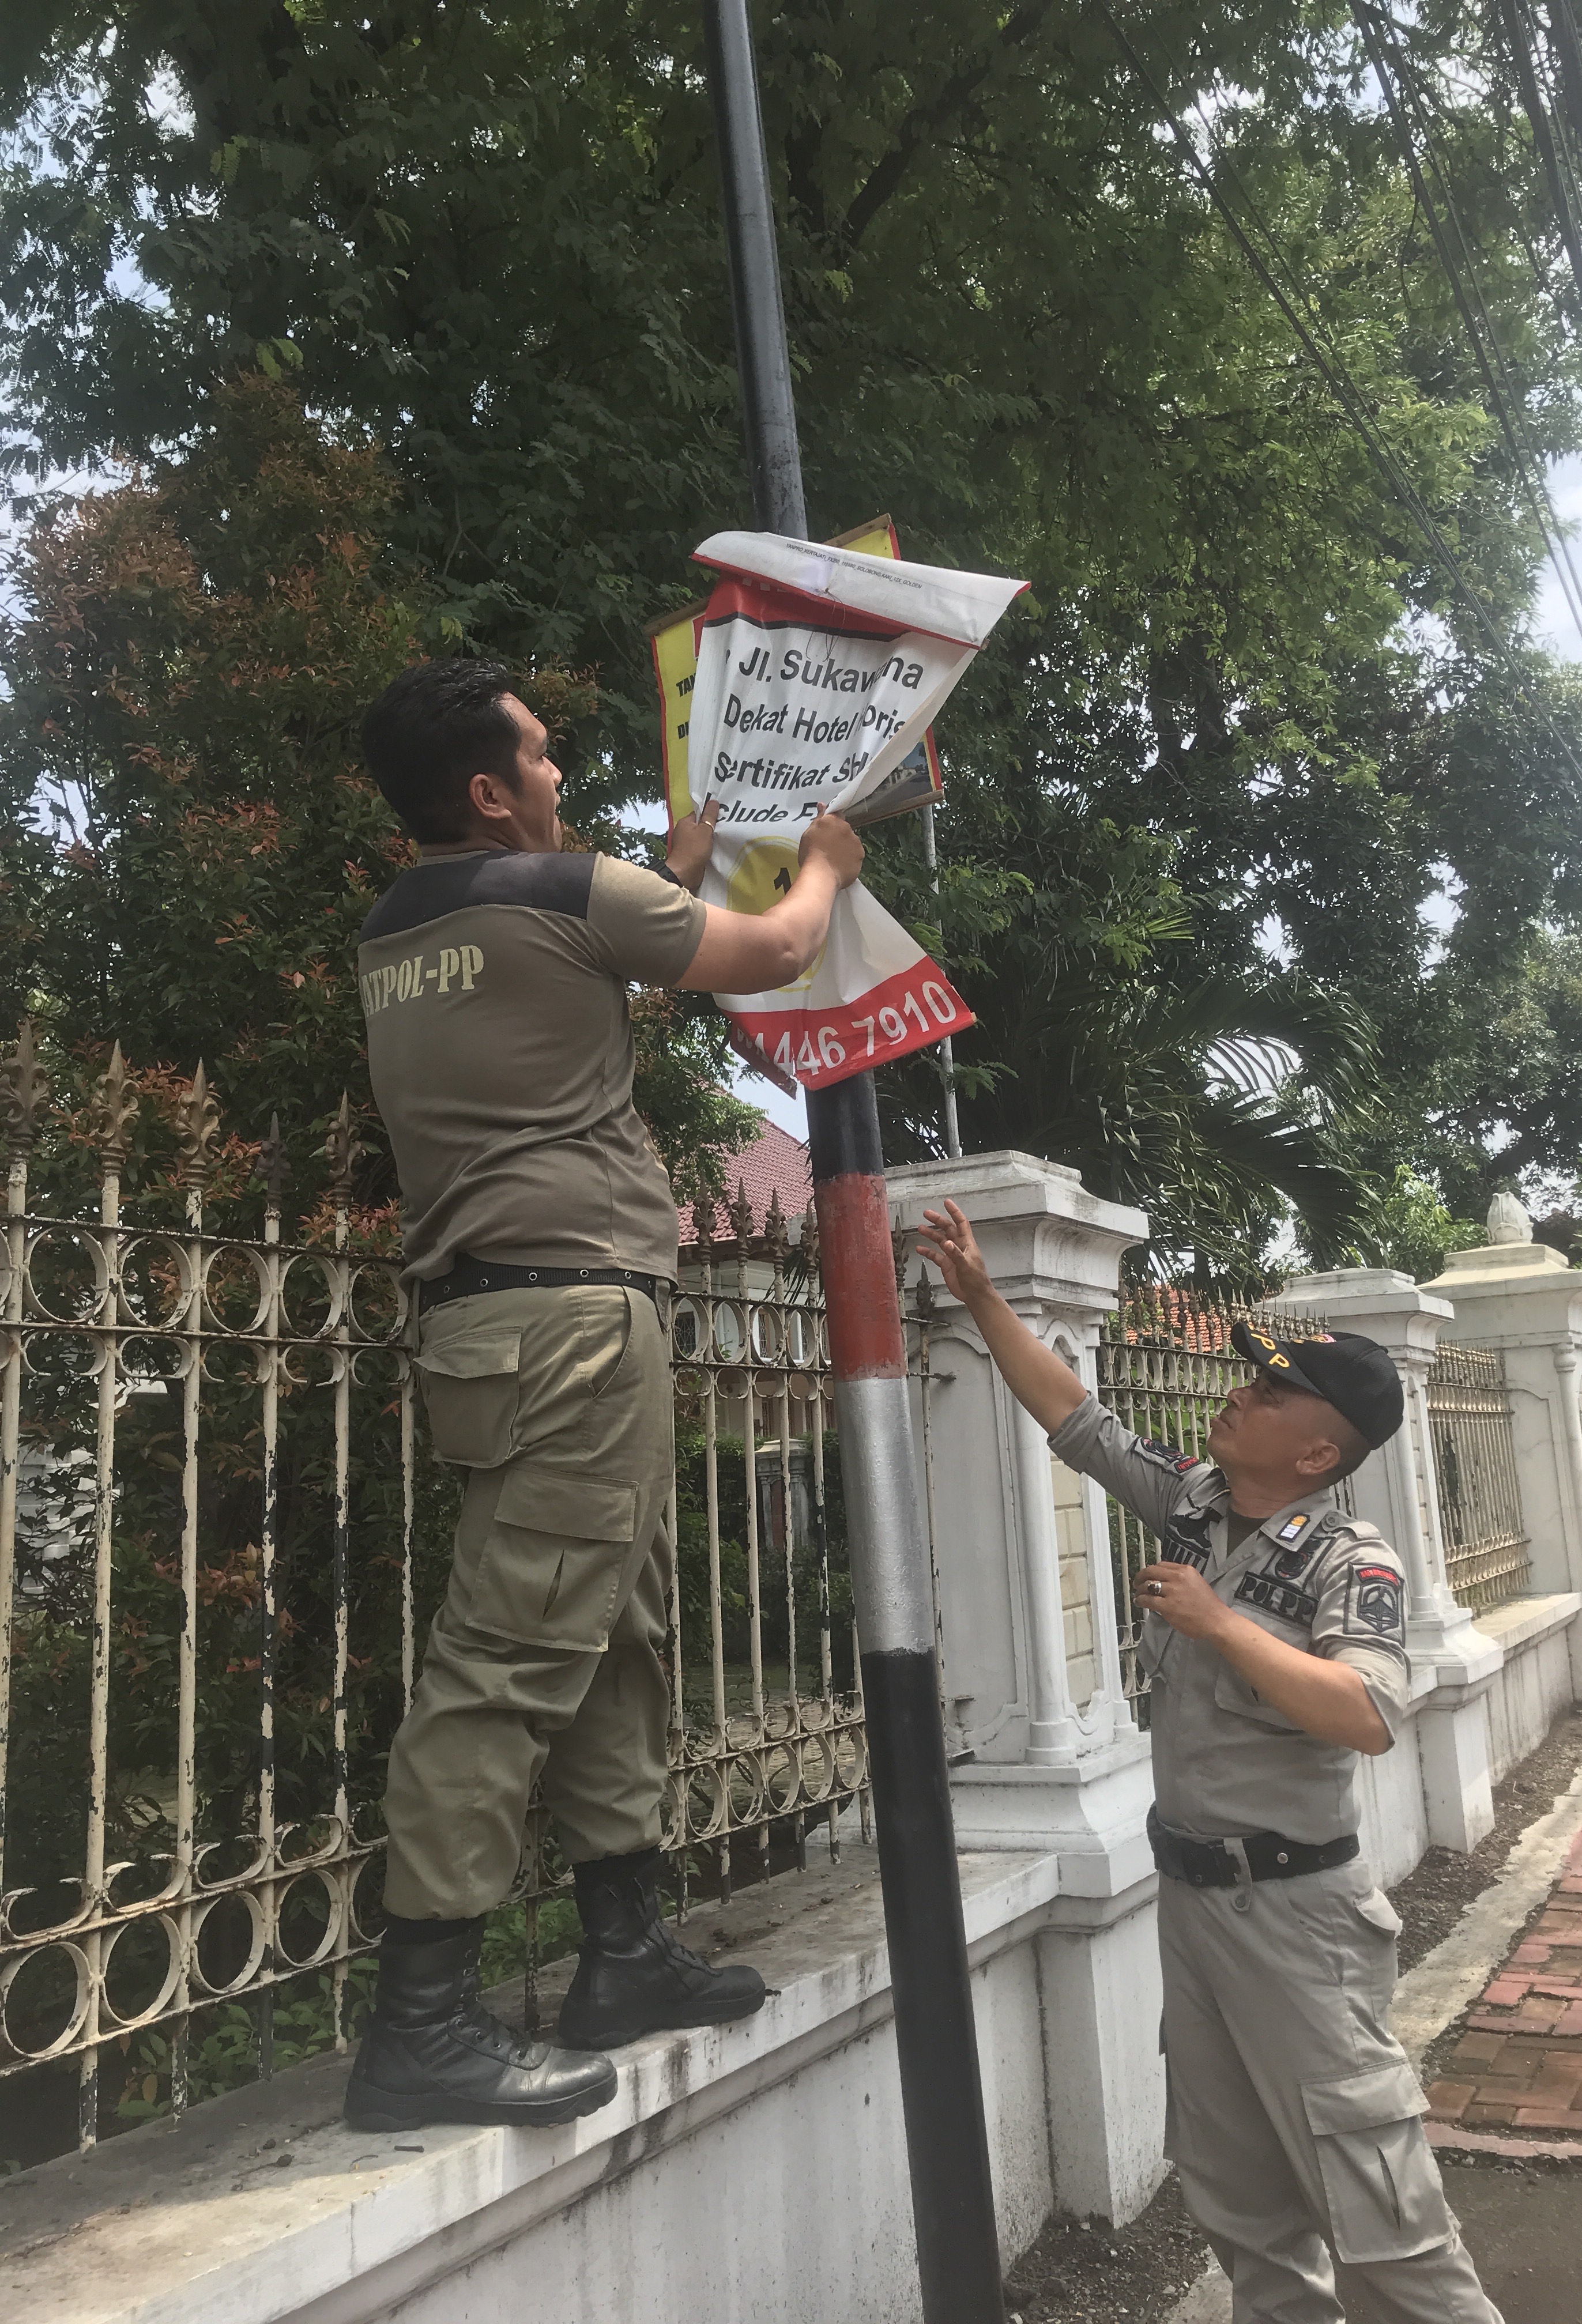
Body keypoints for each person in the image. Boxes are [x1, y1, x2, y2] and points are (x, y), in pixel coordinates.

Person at [342, 658, 862, 2133]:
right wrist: (821, 864)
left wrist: (669, 871)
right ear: (492, 791)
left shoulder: (404, 925)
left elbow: (589, 944)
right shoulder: (570, 898)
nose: (565, 772)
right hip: (572, 1319)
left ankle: (622, 1949)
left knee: (614, 1625)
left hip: (498, 1322)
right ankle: (423, 2024)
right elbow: (766, 953)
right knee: (506, 1656)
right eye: (545, 757)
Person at [913, 1199, 1505, 2324]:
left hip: (1298, 1921)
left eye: (1272, 1393)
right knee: (1245, 2218)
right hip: (1192, 1909)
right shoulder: (1194, 1504)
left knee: (1383, 2227)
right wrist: (984, 1297)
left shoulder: (1350, 1556)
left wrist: (1224, 1626)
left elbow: (1370, 1711)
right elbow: (1077, 1420)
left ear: (1319, 1450)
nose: (1242, 1393)